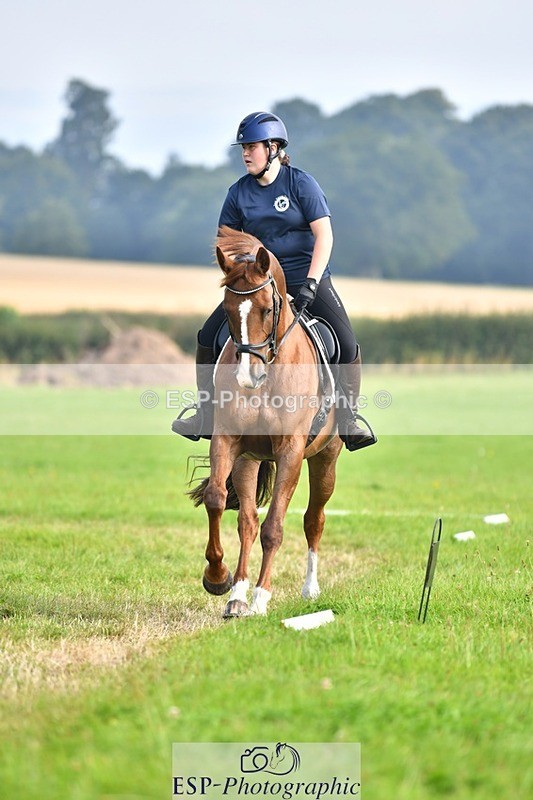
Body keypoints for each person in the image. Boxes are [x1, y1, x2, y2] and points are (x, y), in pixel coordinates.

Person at [172, 111, 376, 451]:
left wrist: (311, 282)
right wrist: (244, 276)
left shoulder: (301, 184)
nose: (245, 154)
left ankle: (348, 418)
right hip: (258, 285)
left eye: (252, 147)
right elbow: (227, 244)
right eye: (243, 148)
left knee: (345, 340)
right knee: (208, 336)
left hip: (305, 279)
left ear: (273, 148)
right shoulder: (237, 193)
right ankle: (205, 413)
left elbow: (324, 235)